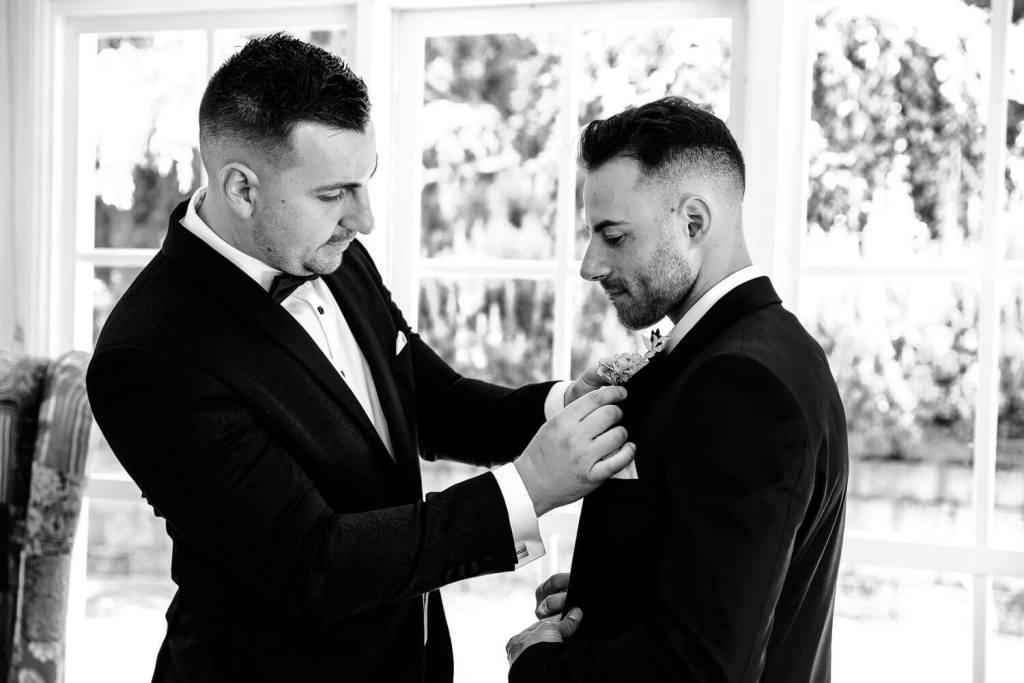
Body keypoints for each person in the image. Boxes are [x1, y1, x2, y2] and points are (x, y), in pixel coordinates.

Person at [86, 34, 635, 683]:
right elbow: (313, 562)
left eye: (367, 181)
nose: (366, 218)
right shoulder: (148, 354)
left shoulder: (329, 250)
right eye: (335, 192)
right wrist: (529, 486)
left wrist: (559, 405)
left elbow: (430, 401)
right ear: (241, 188)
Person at [507, 97, 849, 682]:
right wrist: (618, 591)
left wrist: (540, 665)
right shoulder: (758, 347)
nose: (589, 265)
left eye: (613, 236)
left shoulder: (743, 384)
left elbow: (701, 668)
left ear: (694, 222)